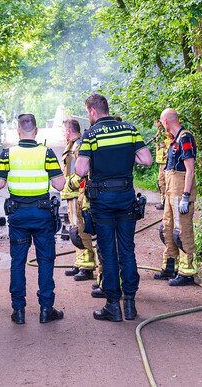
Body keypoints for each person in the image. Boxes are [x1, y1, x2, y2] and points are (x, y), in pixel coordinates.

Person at [75, 93, 152, 322]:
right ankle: (130, 304)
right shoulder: (129, 129)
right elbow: (146, 159)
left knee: (108, 252)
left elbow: (80, 170)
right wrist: (127, 157)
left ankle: (112, 306)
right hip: (126, 198)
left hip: (103, 201)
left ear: (92, 112)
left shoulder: (91, 135)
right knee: (127, 250)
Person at [0, 114, 66, 325]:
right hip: (42, 215)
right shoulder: (47, 153)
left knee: (18, 262)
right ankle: (46, 309)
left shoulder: (8, 154)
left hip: (18, 216)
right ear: (36, 131)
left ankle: (19, 311)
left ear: (18, 130)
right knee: (45, 261)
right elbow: (59, 185)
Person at [153, 108, 198, 286]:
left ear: (165, 121)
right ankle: (170, 266)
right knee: (167, 228)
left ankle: (187, 272)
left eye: (161, 122)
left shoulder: (185, 137)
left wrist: (186, 196)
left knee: (182, 231)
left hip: (180, 192)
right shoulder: (173, 141)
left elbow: (190, 169)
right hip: (171, 192)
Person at [61, 118, 97, 281]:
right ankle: (80, 262)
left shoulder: (79, 146)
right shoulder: (72, 145)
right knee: (75, 229)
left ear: (69, 131)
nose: (63, 134)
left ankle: (87, 265)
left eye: (64, 131)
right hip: (72, 194)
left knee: (81, 230)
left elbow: (84, 171)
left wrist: (71, 184)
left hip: (78, 194)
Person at [147, 120, 171, 210]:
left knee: (164, 182)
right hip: (161, 161)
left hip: (165, 161)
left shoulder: (166, 132)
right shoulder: (159, 132)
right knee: (161, 182)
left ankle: (166, 203)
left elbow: (170, 143)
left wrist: (164, 146)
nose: (154, 123)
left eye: (156, 121)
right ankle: (164, 202)